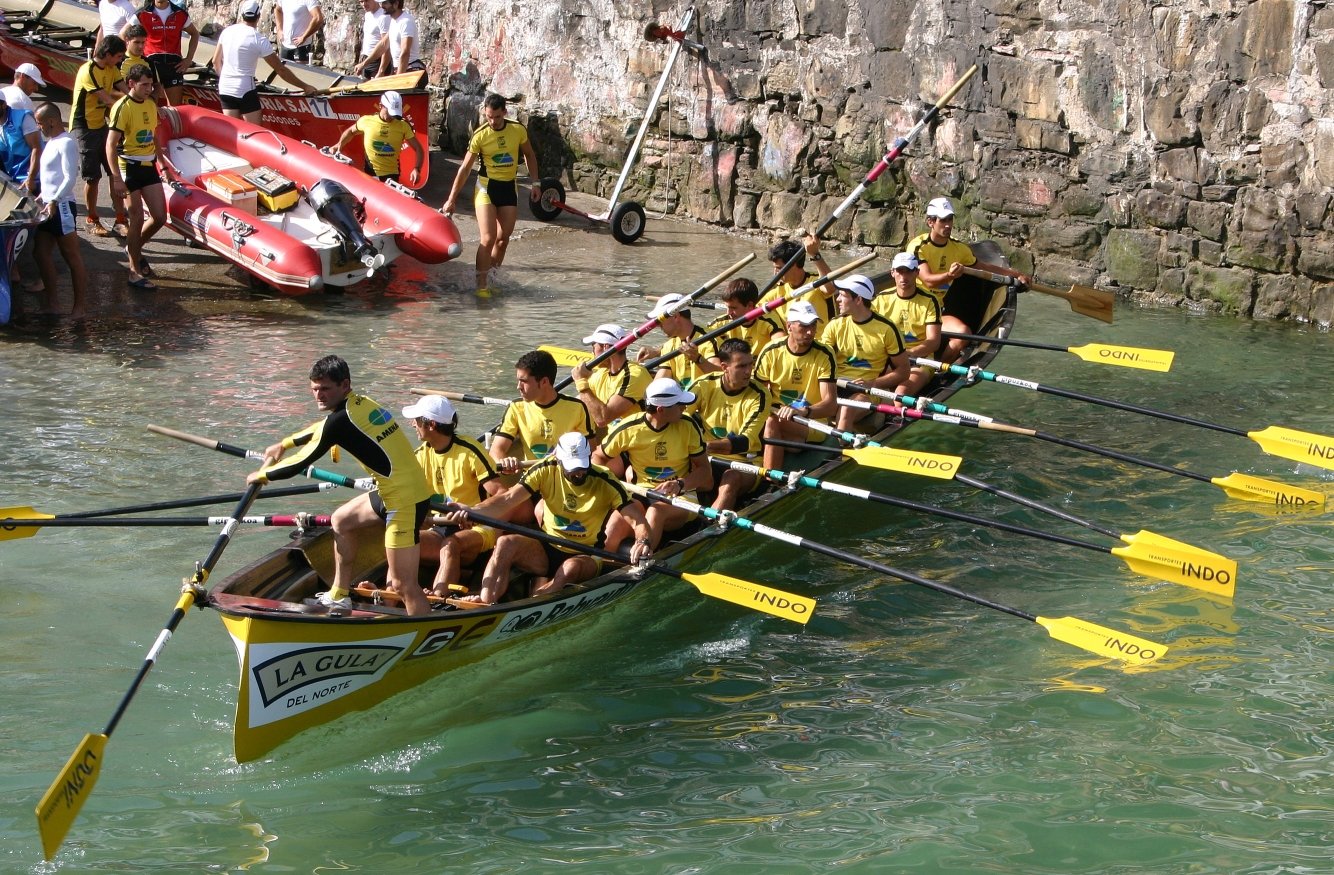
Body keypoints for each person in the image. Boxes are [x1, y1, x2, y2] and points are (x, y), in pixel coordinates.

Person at [246, 355, 433, 616]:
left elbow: (301, 461)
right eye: (314, 389)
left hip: (405, 502)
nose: (319, 395)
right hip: (397, 490)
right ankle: (339, 595)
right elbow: (321, 427)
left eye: (325, 388)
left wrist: (263, 475)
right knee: (342, 520)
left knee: (404, 585)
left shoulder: (342, 420)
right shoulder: (361, 404)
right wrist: (285, 444)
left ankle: (424, 633)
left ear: (344, 385)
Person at [445, 433, 653, 605]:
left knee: (569, 569)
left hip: (586, 554)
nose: (579, 474)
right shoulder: (545, 469)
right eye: (572, 469)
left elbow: (638, 520)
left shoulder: (606, 480)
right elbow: (507, 500)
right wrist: (472, 511)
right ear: (558, 459)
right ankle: (484, 601)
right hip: (547, 547)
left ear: (589, 457)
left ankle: (533, 605)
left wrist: (643, 541)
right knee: (505, 542)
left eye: (582, 467)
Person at [401, 394, 507, 598]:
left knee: (450, 545)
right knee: (400, 540)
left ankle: (437, 600)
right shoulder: (420, 455)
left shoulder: (469, 451)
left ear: (431, 424)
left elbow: (502, 494)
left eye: (417, 420)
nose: (412, 424)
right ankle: (390, 596)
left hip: (478, 526)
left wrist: (473, 512)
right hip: (440, 527)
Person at [594, 377, 713, 549]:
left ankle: (643, 558)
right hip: (641, 491)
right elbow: (598, 457)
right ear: (661, 410)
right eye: (680, 404)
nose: (684, 408)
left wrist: (680, 484)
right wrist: (610, 485)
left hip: (681, 496)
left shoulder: (688, 425)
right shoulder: (628, 428)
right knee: (613, 529)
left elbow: (705, 470)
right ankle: (606, 563)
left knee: (655, 512)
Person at [439, 93, 540, 296]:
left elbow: (529, 154)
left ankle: (492, 276)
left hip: (508, 189)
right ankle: (481, 285)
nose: (492, 121)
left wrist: (535, 183)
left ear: (505, 112)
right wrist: (451, 199)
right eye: (489, 117)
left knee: (503, 240)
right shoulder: (480, 135)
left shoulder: (517, 130)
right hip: (486, 189)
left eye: (497, 117)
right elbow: (465, 169)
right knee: (488, 238)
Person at [910, 197, 1029, 364]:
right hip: (914, 307)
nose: (948, 225)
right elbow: (928, 280)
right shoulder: (918, 246)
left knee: (964, 334)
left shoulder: (959, 249)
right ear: (931, 222)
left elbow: (983, 267)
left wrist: (1016, 274)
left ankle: (938, 370)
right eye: (943, 220)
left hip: (936, 311)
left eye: (950, 219)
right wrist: (950, 276)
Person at [686, 339, 770, 510]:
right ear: (724, 367)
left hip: (745, 462)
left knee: (731, 478)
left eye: (750, 364)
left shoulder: (760, 394)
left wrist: (704, 447)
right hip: (706, 457)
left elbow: (744, 441)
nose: (748, 371)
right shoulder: (704, 384)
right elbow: (679, 417)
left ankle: (712, 523)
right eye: (741, 366)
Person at [754, 299, 838, 470]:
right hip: (778, 416)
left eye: (813, 325)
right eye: (804, 326)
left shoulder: (824, 354)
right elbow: (755, 396)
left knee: (771, 423)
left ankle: (771, 478)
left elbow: (830, 406)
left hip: (810, 420)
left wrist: (802, 411)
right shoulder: (770, 351)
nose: (810, 332)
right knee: (777, 428)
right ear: (789, 326)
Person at [820, 273, 909, 432]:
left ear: (858, 299)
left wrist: (873, 383)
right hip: (834, 383)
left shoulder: (887, 329)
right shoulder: (835, 325)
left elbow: (904, 371)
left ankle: (841, 445)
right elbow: (820, 359)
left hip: (865, 390)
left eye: (842, 295)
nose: (837, 299)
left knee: (847, 409)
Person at [106, 63, 165, 290]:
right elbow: (110, 145)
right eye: (144, 85)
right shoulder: (122, 107)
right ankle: (134, 271)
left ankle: (133, 248)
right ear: (131, 83)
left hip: (148, 165)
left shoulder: (150, 104)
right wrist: (116, 178)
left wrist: (163, 164)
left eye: (151, 85)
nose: (149, 89)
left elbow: (154, 136)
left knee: (159, 216)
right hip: (128, 167)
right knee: (137, 217)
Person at [491, 349, 596, 474]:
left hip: (566, 476)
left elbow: (591, 451)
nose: (518, 386)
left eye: (524, 381)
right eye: (518, 381)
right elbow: (496, 450)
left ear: (544, 382)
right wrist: (504, 464)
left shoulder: (577, 408)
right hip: (532, 479)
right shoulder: (516, 408)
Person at [213, 0, 313, 125]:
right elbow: (281, 70)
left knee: (232, 129)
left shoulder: (227, 32)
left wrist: (225, 78)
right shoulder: (259, 39)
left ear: (242, 14)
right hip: (245, 89)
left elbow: (215, 62)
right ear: (258, 16)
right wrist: (305, 86)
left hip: (225, 87)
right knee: (254, 131)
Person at [32, 103, 88, 319]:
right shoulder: (51, 142)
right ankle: (53, 304)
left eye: (40, 123)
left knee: (71, 256)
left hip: (62, 206)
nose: (38, 127)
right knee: (40, 252)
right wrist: (42, 195)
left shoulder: (66, 143)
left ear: (52, 121)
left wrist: (55, 199)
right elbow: (51, 177)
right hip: (48, 205)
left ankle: (79, 308)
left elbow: (69, 177)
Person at [70, 35, 129, 238]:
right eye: (119, 56)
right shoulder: (88, 70)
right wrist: (132, 108)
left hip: (101, 124)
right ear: (108, 54)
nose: (120, 60)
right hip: (84, 126)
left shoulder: (112, 68)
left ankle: (120, 219)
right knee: (93, 177)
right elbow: (108, 99)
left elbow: (125, 91)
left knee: (114, 172)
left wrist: (138, 98)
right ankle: (91, 219)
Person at [873, 251, 943, 394]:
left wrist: (909, 353)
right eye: (899, 271)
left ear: (917, 272)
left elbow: (934, 342)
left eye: (909, 271)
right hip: (888, 357)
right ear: (892, 273)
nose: (903, 277)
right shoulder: (881, 298)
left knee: (901, 393)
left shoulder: (930, 300)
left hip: (920, 360)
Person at [570, 323, 652, 432]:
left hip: (639, 438)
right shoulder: (602, 374)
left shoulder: (634, 375)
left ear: (605, 347)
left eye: (593, 346)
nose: (592, 352)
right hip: (617, 438)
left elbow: (603, 419)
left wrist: (580, 381)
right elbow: (578, 403)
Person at [334, 91, 423, 184]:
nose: (392, 116)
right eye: (389, 112)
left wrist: (417, 169)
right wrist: (338, 146)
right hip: (370, 173)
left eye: (394, 114)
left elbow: (418, 148)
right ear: (381, 106)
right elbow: (350, 132)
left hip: (391, 176)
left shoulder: (403, 126)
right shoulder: (367, 121)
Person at [640, 292, 720, 389]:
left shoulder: (709, 339)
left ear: (675, 316)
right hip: (682, 397)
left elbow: (721, 375)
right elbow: (660, 381)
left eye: (660, 320)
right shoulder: (669, 346)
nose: (658, 325)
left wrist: (697, 359)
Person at [755, 234, 834, 331]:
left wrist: (815, 254)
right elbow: (754, 309)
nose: (775, 273)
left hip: (820, 339)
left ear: (794, 265)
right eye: (774, 268)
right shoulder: (777, 289)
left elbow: (830, 288)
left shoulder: (816, 281)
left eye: (779, 268)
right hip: (789, 339)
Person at [132, 0, 200, 107]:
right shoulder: (142, 13)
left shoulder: (180, 13)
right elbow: (124, 34)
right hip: (151, 65)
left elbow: (195, 34)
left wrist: (189, 59)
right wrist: (134, 57)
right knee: (148, 106)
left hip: (174, 66)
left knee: (175, 109)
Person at [704, 276, 784, 353]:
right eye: (727, 307)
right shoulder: (721, 323)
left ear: (750, 305)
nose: (728, 313)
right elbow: (701, 337)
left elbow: (781, 346)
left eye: (733, 308)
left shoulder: (769, 320)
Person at [361, 0, 423, 75]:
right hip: (399, 69)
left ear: (396, 4)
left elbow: (405, 52)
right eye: (381, 3)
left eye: (385, 3)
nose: (382, 6)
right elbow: (383, 44)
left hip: (411, 70)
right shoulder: (394, 21)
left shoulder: (406, 22)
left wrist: (398, 77)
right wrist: (363, 64)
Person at [0, 95, 40, 189]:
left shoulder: (23, 117)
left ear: (4, 105)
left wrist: (31, 178)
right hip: (10, 177)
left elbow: (36, 148)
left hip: (30, 178)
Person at [274, 0, 323, 64]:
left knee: (300, 70)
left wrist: (304, 37)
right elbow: (277, 10)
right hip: (285, 44)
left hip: (301, 46)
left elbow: (318, 18)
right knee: (284, 68)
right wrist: (279, 29)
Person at [354, 0, 389, 76]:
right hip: (366, 58)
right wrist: (362, 61)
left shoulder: (384, 17)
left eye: (366, 0)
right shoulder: (367, 15)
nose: (364, 4)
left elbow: (386, 46)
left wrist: (381, 70)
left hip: (377, 61)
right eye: (361, 1)